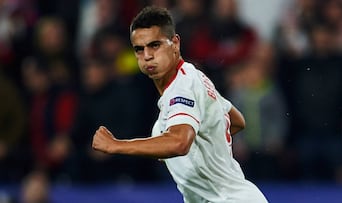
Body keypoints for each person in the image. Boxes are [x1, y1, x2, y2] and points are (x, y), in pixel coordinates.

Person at [92, 6, 268, 203]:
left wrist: (116, 145)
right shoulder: (193, 78)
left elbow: (179, 142)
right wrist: (198, 142)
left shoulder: (181, 87)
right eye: (139, 49)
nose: (147, 55)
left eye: (155, 45)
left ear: (175, 43)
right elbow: (236, 121)